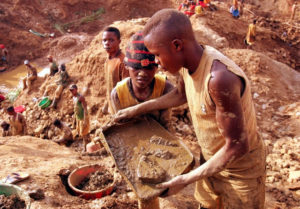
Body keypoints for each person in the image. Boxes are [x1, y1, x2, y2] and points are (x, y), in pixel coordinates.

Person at [114, 9, 266, 209]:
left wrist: (184, 180)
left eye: (157, 55)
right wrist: (136, 110)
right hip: (211, 162)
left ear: (177, 45)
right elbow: (180, 95)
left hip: (240, 172)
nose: (157, 64)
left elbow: (237, 146)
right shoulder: (188, 63)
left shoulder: (219, 79)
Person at [111, 32, 174, 126]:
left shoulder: (165, 88)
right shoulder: (118, 94)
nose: (142, 74)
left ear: (157, 67)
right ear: (126, 66)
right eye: (136, 68)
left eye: (149, 68)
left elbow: (165, 124)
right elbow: (121, 127)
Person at [102, 26, 128, 114]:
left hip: (122, 109)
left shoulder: (123, 62)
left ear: (119, 42)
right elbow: (110, 85)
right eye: (104, 40)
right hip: (112, 107)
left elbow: (127, 89)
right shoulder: (108, 60)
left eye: (111, 40)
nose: (107, 43)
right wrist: (107, 104)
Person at [69, 84, 90, 152]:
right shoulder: (73, 97)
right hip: (78, 117)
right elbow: (75, 108)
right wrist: (74, 118)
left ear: (76, 89)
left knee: (84, 133)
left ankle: (85, 148)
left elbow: (85, 108)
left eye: (73, 90)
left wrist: (85, 119)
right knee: (82, 133)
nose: (71, 91)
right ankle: (87, 145)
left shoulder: (80, 97)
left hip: (82, 117)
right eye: (70, 90)